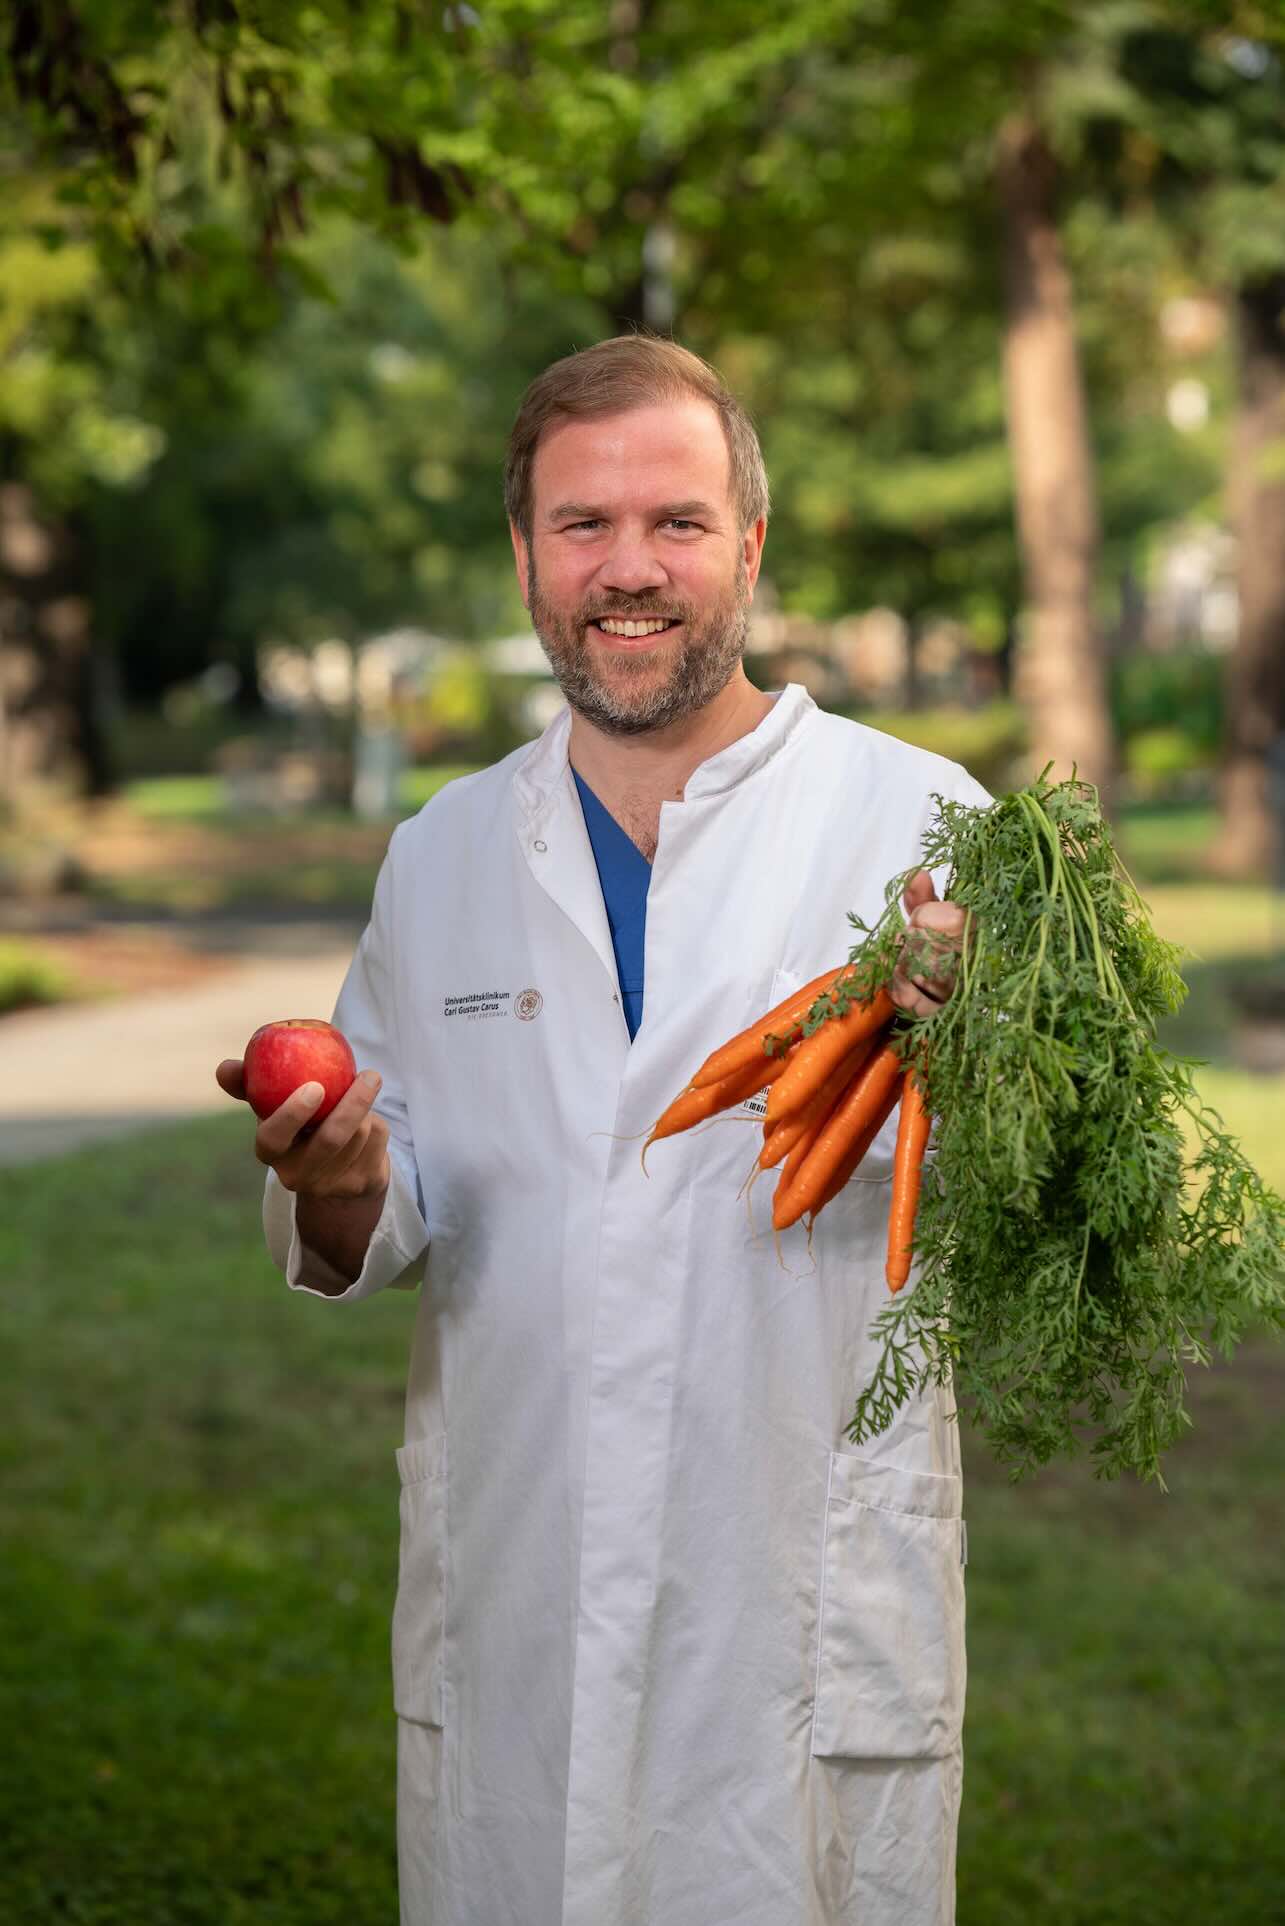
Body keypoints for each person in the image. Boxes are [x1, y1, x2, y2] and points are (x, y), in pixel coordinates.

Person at [217, 335, 984, 1926]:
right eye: (582, 526)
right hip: (521, 1590)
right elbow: (375, 1200)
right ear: (523, 556)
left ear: (750, 547)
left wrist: (983, 1057)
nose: (627, 571)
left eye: (678, 523)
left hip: (794, 1603)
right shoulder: (441, 858)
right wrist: (346, 1178)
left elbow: (1034, 1193)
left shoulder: (922, 832)